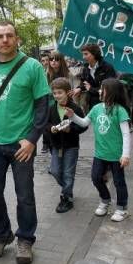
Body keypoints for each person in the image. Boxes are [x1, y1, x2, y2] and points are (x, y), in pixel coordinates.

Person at [0, 20, 50, 264]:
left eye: (9, 35)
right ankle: (1, 235)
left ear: (17, 39)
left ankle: (25, 239)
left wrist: (32, 140)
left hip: (21, 144)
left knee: (24, 194)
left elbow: (43, 105)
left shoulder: (32, 66)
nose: (5, 40)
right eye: (0, 36)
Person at [65, 78, 131, 222]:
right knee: (95, 178)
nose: (100, 91)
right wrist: (73, 116)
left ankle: (121, 208)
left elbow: (126, 134)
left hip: (116, 155)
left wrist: (125, 155)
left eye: (103, 89)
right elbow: (84, 123)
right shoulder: (96, 108)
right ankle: (105, 200)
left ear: (112, 92)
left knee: (119, 182)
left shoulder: (120, 110)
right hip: (100, 153)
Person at [45, 78, 87, 213]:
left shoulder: (75, 108)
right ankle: (67, 188)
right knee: (55, 170)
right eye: (54, 93)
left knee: (68, 172)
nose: (57, 95)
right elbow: (45, 124)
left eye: (60, 93)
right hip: (56, 145)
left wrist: (71, 129)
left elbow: (83, 126)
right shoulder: (51, 108)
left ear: (67, 93)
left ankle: (66, 198)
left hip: (71, 145)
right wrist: (51, 128)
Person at [69, 43, 117, 113]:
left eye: (86, 54)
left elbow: (110, 88)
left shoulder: (107, 67)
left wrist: (91, 89)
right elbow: (84, 82)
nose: (83, 57)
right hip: (93, 104)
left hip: (107, 103)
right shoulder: (85, 68)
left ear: (94, 54)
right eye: (83, 54)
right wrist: (79, 88)